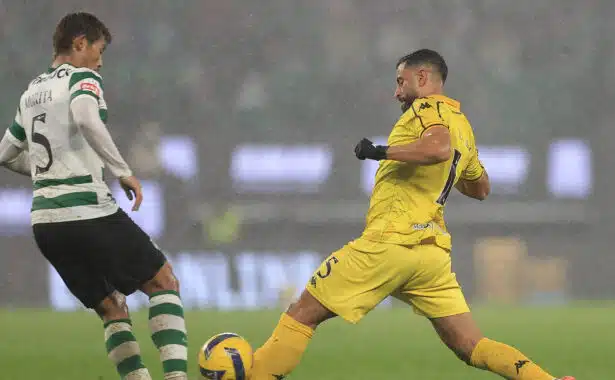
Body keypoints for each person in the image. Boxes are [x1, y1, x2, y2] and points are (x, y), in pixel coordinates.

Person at [250, 49, 573, 380]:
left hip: (390, 243)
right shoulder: (462, 124)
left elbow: (438, 148)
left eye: (400, 82)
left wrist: (381, 151)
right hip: (431, 255)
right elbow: (481, 188)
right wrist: (449, 171)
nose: (396, 92)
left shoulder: (425, 108)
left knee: (301, 312)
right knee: (471, 345)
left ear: (422, 77)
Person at [0, 12, 188, 380]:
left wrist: (46, 173)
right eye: (98, 51)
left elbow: (5, 153)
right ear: (79, 44)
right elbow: (86, 118)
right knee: (164, 281)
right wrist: (122, 171)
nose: (100, 62)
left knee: (111, 308)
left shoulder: (31, 93)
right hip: (86, 211)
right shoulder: (82, 78)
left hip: (46, 225)